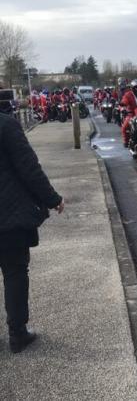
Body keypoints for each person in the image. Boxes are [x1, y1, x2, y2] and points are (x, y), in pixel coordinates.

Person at [0, 102, 65, 353]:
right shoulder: (6, 125)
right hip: (8, 214)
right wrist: (53, 199)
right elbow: (29, 169)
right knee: (15, 272)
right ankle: (17, 334)